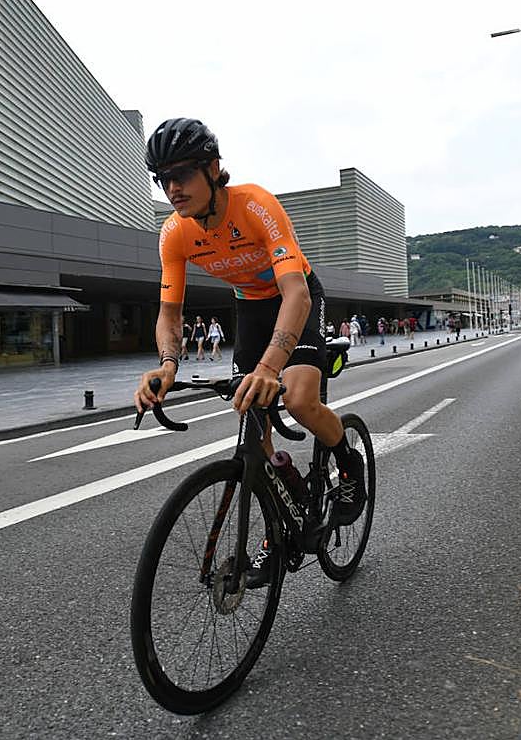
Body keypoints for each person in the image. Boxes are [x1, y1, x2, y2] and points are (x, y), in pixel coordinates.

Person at [134, 118, 365, 583]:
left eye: (182, 174)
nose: (172, 188)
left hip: (296, 294)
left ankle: (348, 464)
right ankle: (278, 525)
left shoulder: (255, 205)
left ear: (213, 168)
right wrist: (167, 365)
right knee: (252, 418)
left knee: (298, 399)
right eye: (163, 179)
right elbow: (170, 312)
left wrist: (269, 367)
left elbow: (296, 295)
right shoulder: (174, 233)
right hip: (251, 308)